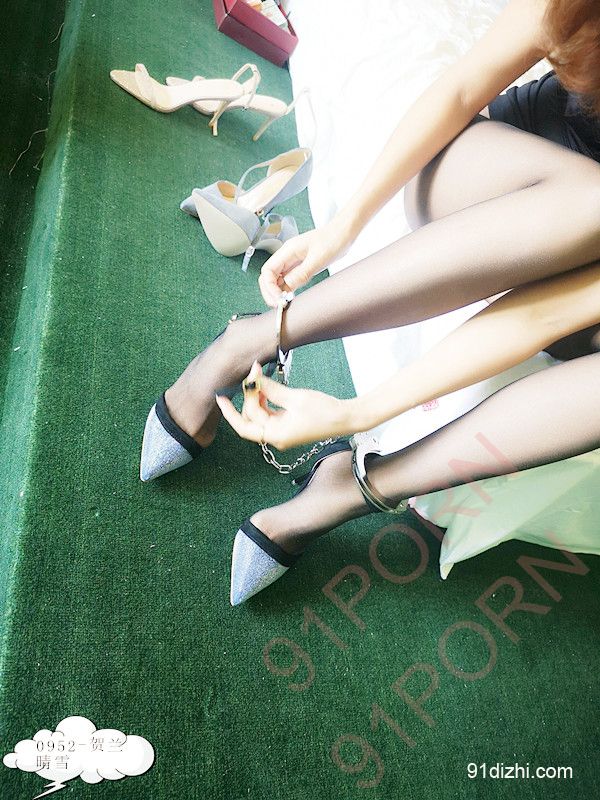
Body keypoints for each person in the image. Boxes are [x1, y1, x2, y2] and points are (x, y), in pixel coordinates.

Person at [141, 0, 600, 602]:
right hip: (502, 172)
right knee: (592, 201)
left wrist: (360, 413)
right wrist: (345, 226)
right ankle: (253, 337)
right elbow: (463, 87)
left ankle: (360, 487)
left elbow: (551, 313)